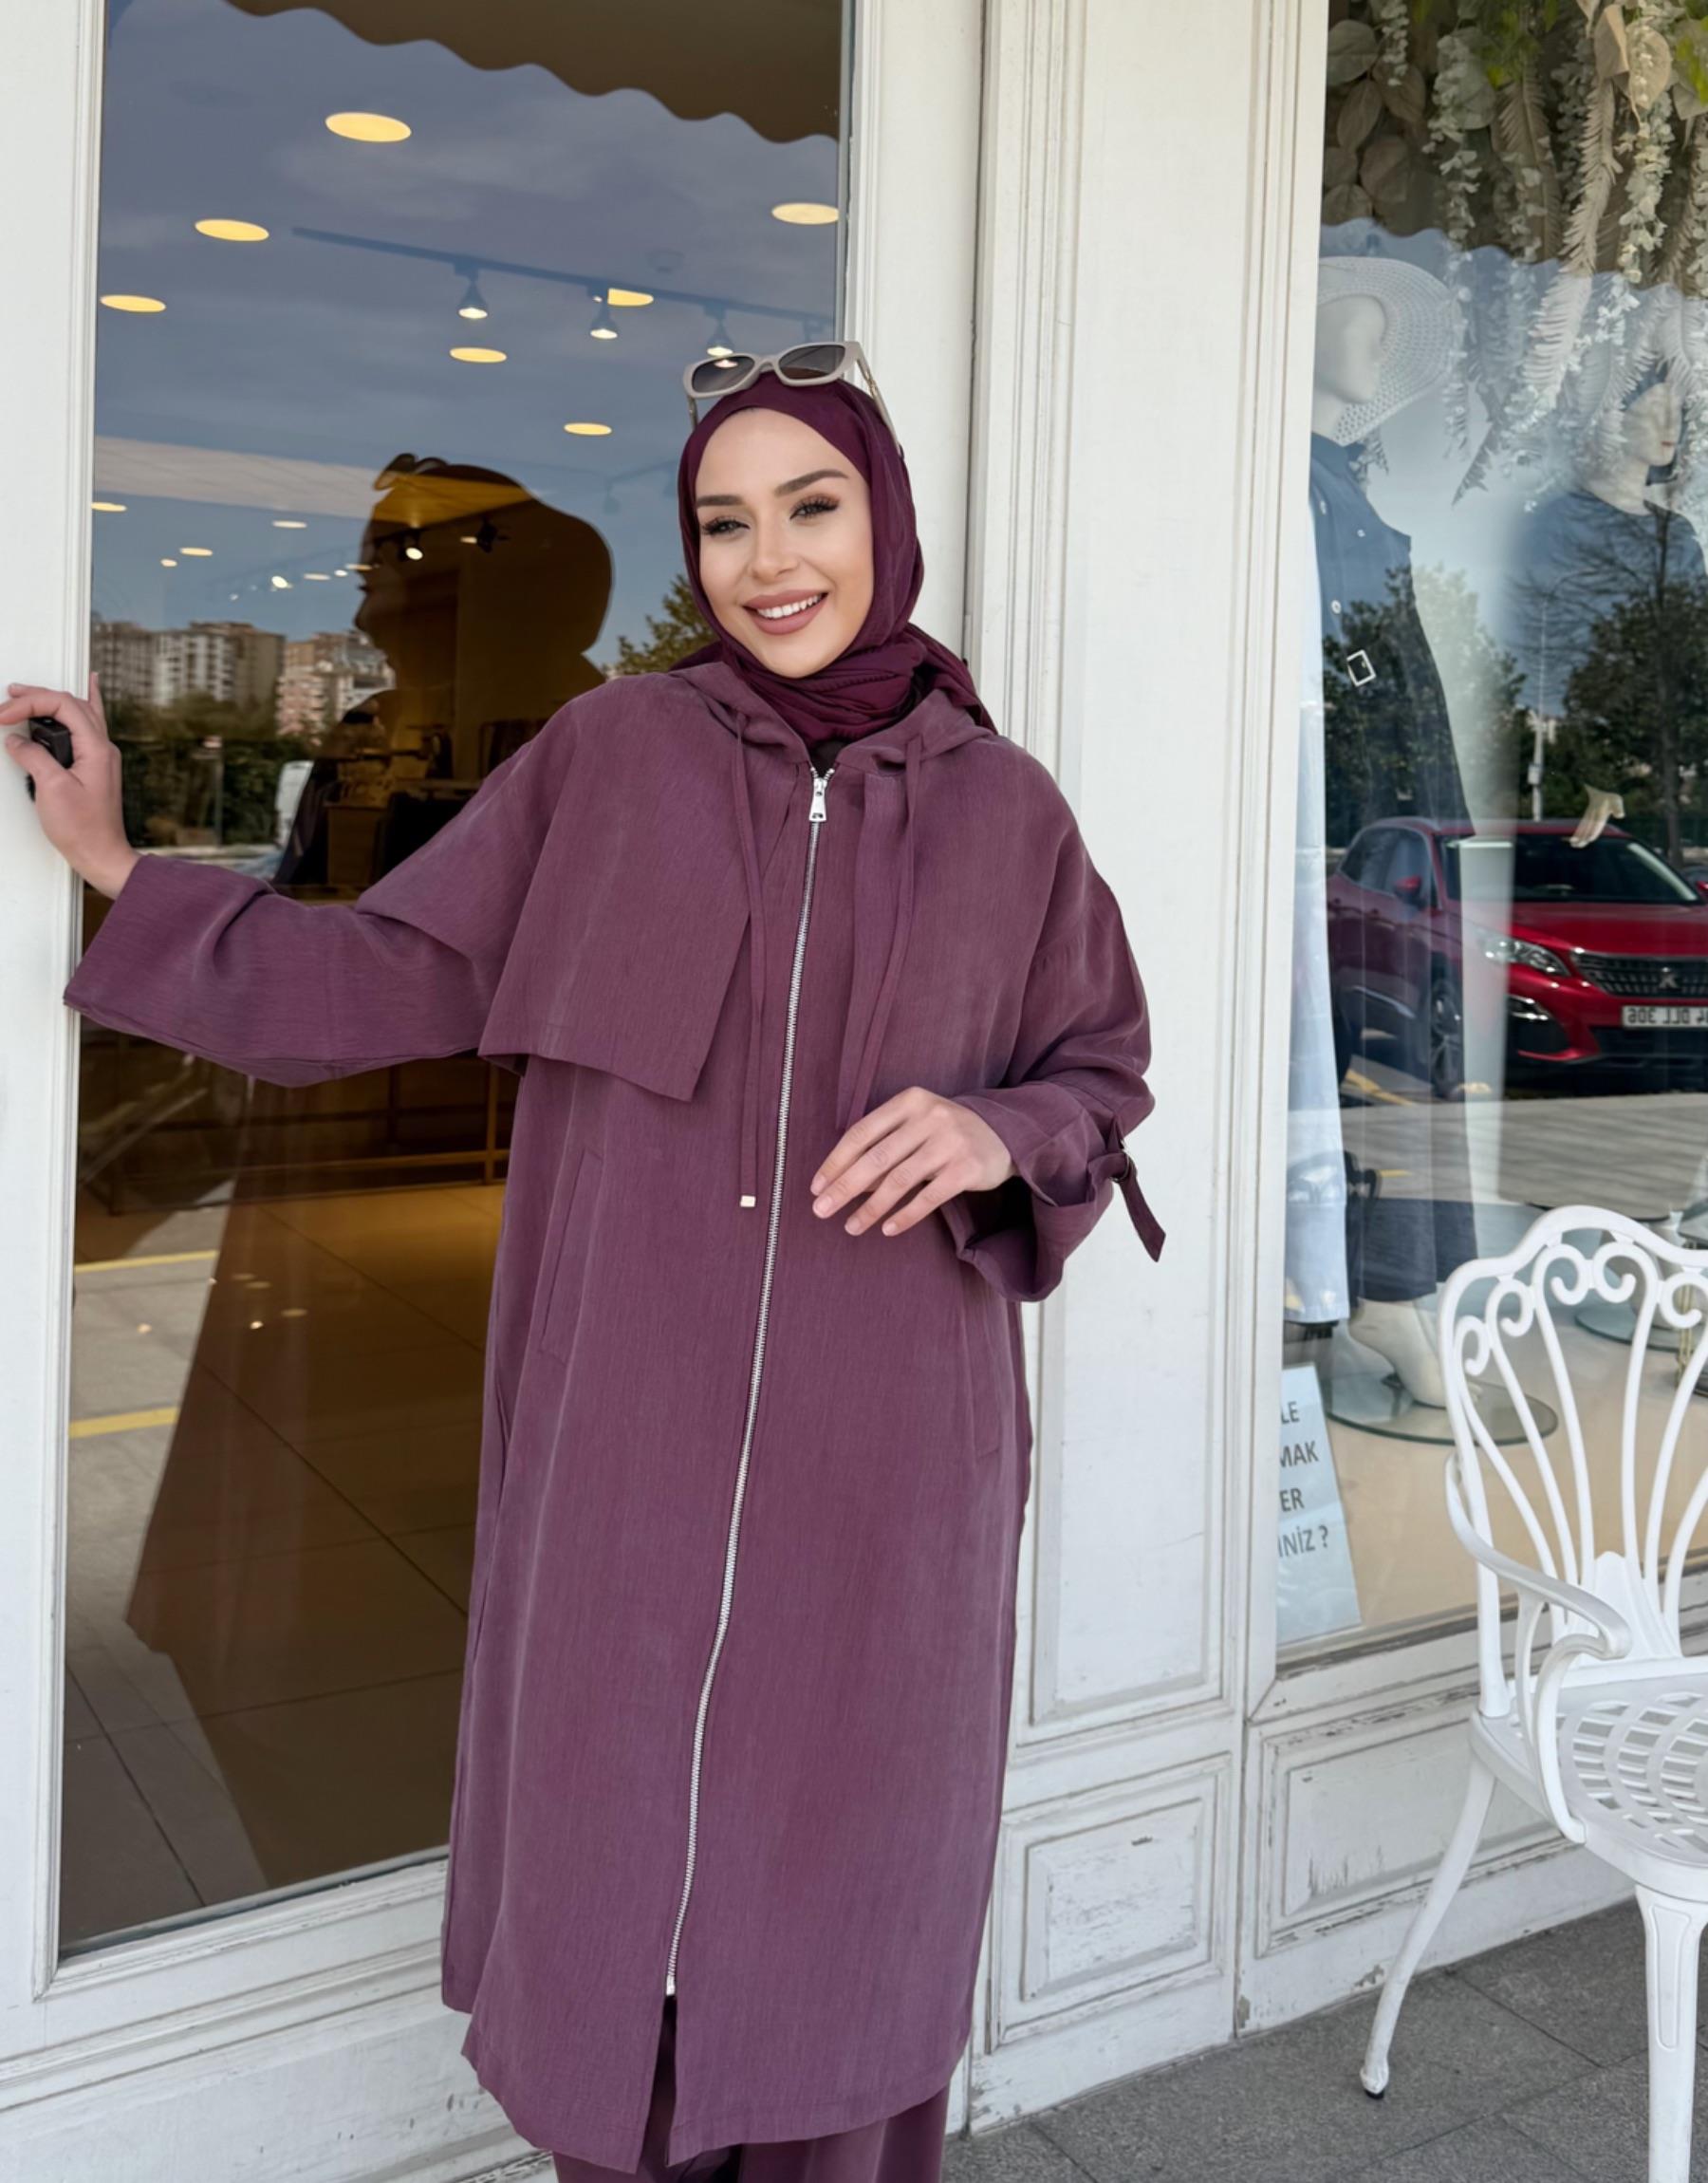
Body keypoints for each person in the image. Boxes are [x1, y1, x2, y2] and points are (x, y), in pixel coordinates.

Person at [4, 352, 1164, 2183]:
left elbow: (1102, 1070)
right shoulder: (613, 759)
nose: (771, 561)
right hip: (627, 1442)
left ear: (885, 520)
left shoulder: (1005, 809)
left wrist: (994, 1130)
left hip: (893, 1470)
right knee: (615, 1878)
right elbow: (384, 973)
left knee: (846, 1908)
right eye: (725, 522)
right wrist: (121, 866)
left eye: (812, 508)